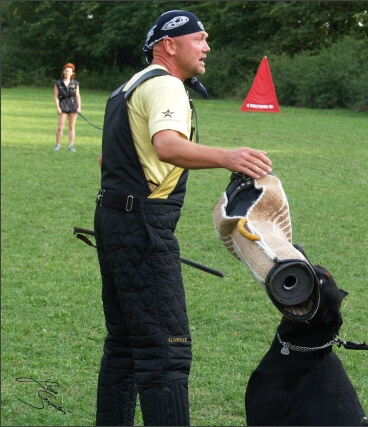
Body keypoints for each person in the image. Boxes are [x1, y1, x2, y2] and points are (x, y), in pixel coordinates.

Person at [93, 10, 272, 426]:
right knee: (166, 351)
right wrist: (229, 157)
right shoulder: (167, 85)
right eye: (200, 39)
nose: (207, 47)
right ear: (169, 45)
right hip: (142, 225)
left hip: (112, 218)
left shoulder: (126, 87)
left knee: (123, 343)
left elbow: (108, 158)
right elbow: (167, 145)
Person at [54, 63, 81, 151]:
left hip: (73, 105)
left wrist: (79, 107)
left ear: (72, 73)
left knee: (71, 126)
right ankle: (58, 144)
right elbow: (56, 96)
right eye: (66, 71)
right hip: (63, 104)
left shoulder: (75, 83)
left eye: (69, 71)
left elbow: (77, 96)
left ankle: (71, 145)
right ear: (63, 72)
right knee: (60, 127)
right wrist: (58, 107)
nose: (67, 72)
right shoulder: (58, 83)